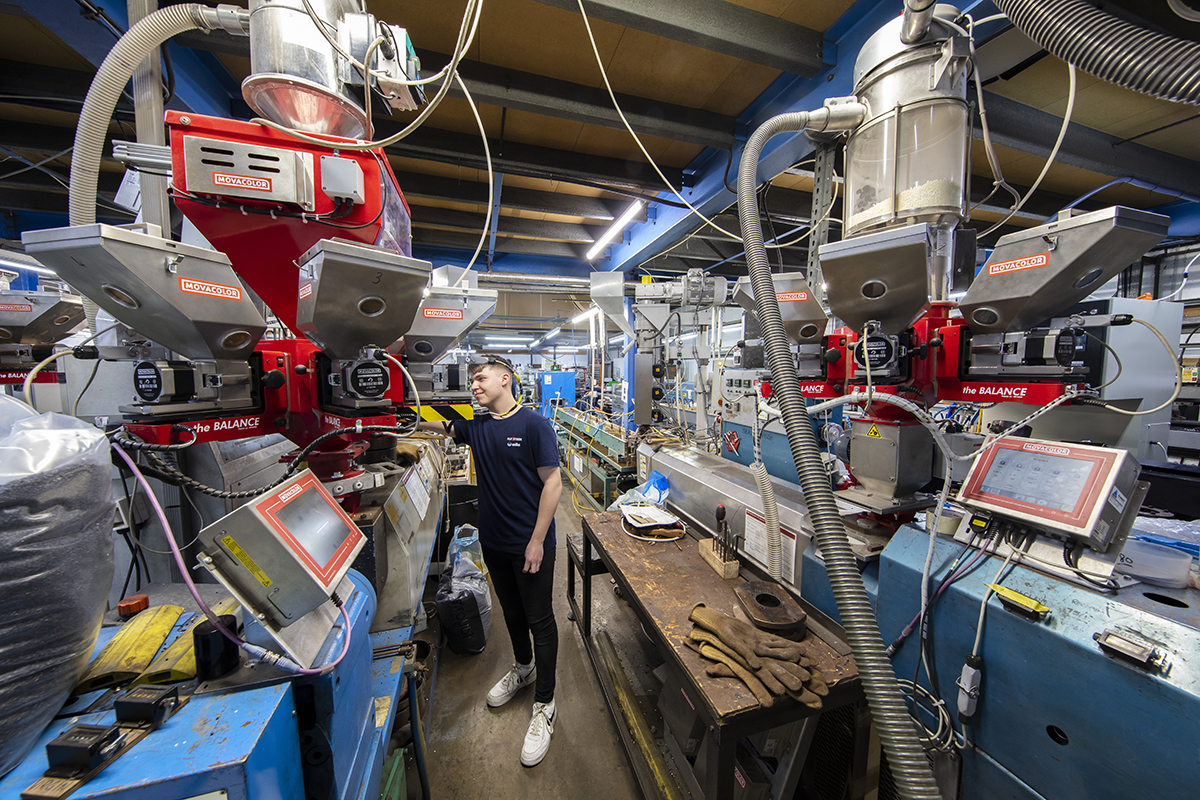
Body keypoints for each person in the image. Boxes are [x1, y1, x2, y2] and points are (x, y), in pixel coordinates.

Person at [418, 355, 563, 767]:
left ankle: (545, 704)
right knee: (512, 614)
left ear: (505, 379)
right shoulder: (478, 427)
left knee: (540, 619)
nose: (474, 386)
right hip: (495, 543)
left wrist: (536, 541)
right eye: (472, 380)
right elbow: (440, 424)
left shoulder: (534, 425)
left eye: (479, 379)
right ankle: (523, 668)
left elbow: (552, 484)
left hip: (530, 545)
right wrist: (399, 414)